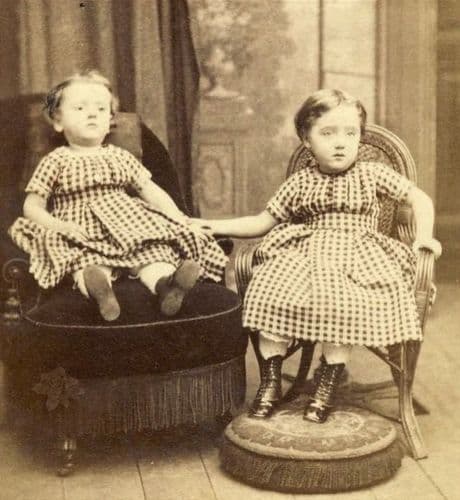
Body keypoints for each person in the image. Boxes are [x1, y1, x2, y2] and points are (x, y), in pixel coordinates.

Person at [193, 88, 441, 423]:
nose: (340, 143)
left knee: (341, 301)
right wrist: (212, 225)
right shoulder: (300, 182)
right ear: (306, 139)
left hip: (358, 255)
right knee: (270, 289)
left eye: (350, 133)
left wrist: (424, 236)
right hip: (306, 253)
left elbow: (419, 200)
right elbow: (262, 222)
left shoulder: (372, 173)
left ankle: (327, 383)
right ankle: (270, 381)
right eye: (328, 133)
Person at [9, 70, 227, 321]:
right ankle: (100, 291)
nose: (92, 114)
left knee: (154, 252)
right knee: (83, 259)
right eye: (80, 108)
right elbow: (32, 206)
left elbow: (151, 191)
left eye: (101, 109)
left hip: (129, 224)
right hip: (81, 228)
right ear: (58, 120)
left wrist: (179, 218)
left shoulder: (119, 156)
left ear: (110, 121)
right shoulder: (55, 160)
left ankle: (167, 286)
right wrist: (60, 226)